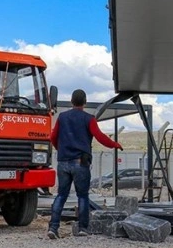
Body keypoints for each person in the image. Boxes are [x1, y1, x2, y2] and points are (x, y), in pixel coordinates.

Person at [47, 89, 123, 239]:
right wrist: (114, 144)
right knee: (82, 196)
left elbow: (53, 137)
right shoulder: (89, 119)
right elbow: (99, 136)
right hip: (80, 162)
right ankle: (83, 228)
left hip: (63, 162)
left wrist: (60, 150)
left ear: (71, 101)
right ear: (85, 102)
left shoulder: (62, 117)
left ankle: (53, 228)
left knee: (61, 195)